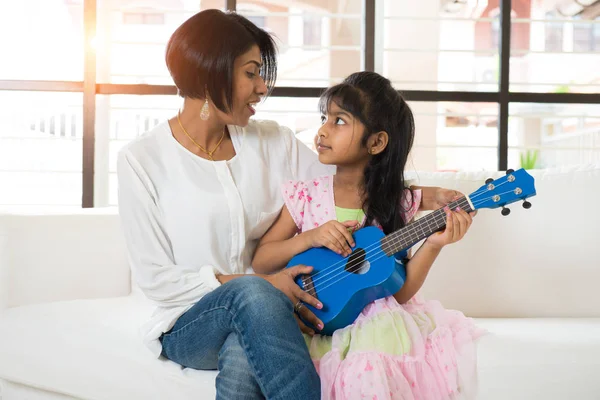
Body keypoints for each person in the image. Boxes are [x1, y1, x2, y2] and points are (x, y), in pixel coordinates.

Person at [117, 9, 469, 400]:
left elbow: (348, 179)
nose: (262, 87)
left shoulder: (274, 142)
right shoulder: (142, 160)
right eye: (251, 72)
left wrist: (422, 196)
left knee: (241, 355)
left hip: (274, 315)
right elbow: (156, 280)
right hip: (190, 322)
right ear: (209, 71)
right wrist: (265, 286)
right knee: (252, 295)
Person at [252, 71, 483, 400]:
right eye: (325, 118)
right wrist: (310, 237)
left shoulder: (395, 204)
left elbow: (399, 293)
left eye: (340, 121)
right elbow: (262, 260)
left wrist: (433, 244)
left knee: (368, 369)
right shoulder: (306, 196)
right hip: (308, 315)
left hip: (373, 325)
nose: (323, 129)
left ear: (376, 142)